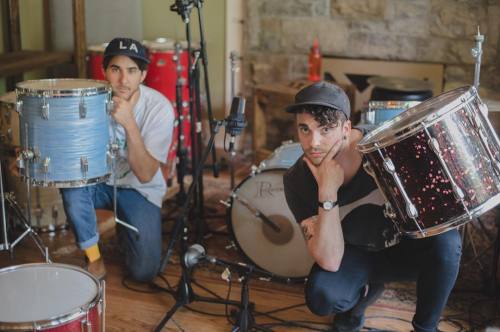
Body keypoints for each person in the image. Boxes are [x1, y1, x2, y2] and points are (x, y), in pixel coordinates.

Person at [283, 81, 462, 332]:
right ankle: (361, 299)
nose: (313, 142)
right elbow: (330, 261)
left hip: (406, 246)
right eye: (305, 129)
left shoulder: (386, 143)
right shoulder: (296, 180)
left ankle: (425, 328)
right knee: (322, 296)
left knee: (447, 241)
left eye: (325, 130)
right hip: (356, 252)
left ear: (346, 127)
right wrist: (327, 190)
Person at [60, 37, 175, 282]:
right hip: (99, 182)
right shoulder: (87, 102)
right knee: (71, 183)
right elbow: (62, 146)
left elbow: (145, 173)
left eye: (132, 71)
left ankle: (128, 229)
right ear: (104, 72)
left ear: (143, 75)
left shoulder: (159, 108)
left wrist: (129, 122)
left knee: (143, 272)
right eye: (116, 69)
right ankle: (94, 257)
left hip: (138, 188)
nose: (124, 80)